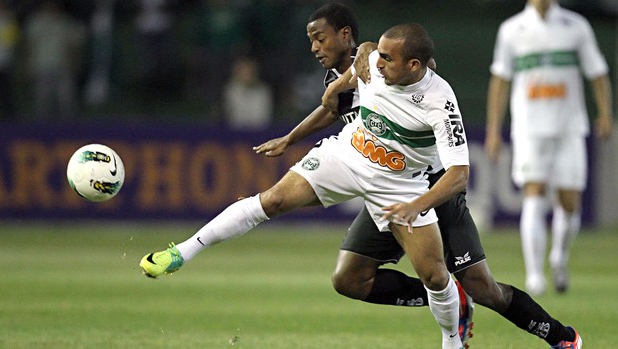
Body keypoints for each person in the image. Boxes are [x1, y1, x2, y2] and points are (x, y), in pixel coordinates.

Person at [256, 3, 583, 349]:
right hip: (390, 187)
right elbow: (332, 109)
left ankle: (563, 337)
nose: (314, 48)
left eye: (320, 39)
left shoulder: (389, 69)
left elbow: (426, 74)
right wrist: (292, 138)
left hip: (433, 185)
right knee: (348, 279)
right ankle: (448, 297)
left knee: (482, 285)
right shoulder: (354, 73)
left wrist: (417, 204)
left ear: (346, 37)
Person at [142, 22, 467, 349]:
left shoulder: (440, 103)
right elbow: (360, 61)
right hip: (347, 155)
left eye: (388, 59)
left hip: (399, 185)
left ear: (413, 65)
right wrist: (337, 87)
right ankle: (183, 252)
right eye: (379, 55)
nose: (378, 64)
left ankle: (452, 341)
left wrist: (416, 205)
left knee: (435, 278)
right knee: (273, 199)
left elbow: (459, 175)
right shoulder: (373, 60)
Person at [485, 0, 613, 299]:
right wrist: (493, 130)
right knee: (534, 191)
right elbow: (500, 81)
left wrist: (605, 113)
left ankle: (559, 257)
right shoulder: (512, 30)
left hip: (569, 126)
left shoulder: (576, 26)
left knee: (569, 202)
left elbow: (597, 72)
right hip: (530, 127)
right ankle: (534, 276)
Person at [222, 55, 274, 131]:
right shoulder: (231, 91)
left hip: (260, 134)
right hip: (235, 135)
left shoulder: (263, 91)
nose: (246, 74)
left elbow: (263, 119)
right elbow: (232, 118)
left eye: (249, 70)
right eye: (243, 70)